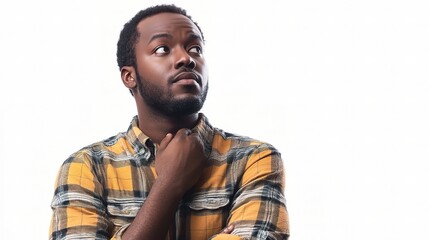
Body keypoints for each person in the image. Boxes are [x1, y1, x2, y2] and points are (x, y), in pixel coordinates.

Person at [49, 4, 289, 240]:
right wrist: (169, 184)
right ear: (129, 76)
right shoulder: (87, 168)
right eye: (163, 49)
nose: (186, 58)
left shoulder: (254, 160)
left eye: (195, 49)